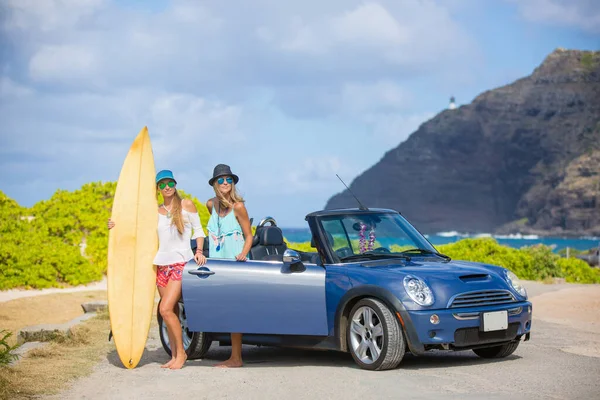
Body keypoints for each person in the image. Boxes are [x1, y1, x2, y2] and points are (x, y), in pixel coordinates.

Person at [108, 169, 206, 370]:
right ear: (158, 189)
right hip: (162, 265)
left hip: (181, 263)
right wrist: (115, 225)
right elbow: (136, 228)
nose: (167, 187)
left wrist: (199, 250)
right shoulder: (155, 212)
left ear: (175, 184)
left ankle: (182, 354)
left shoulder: (186, 205)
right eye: (162, 184)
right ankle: (174, 355)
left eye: (170, 183)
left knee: (165, 308)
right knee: (171, 313)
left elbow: (199, 230)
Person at [206, 164, 253, 368]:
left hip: (236, 263)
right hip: (218, 263)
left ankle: (236, 358)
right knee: (224, 308)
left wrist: (243, 253)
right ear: (215, 184)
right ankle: (233, 354)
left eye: (229, 180)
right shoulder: (211, 205)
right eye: (221, 180)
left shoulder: (239, 207)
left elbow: (249, 235)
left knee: (234, 308)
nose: (225, 183)